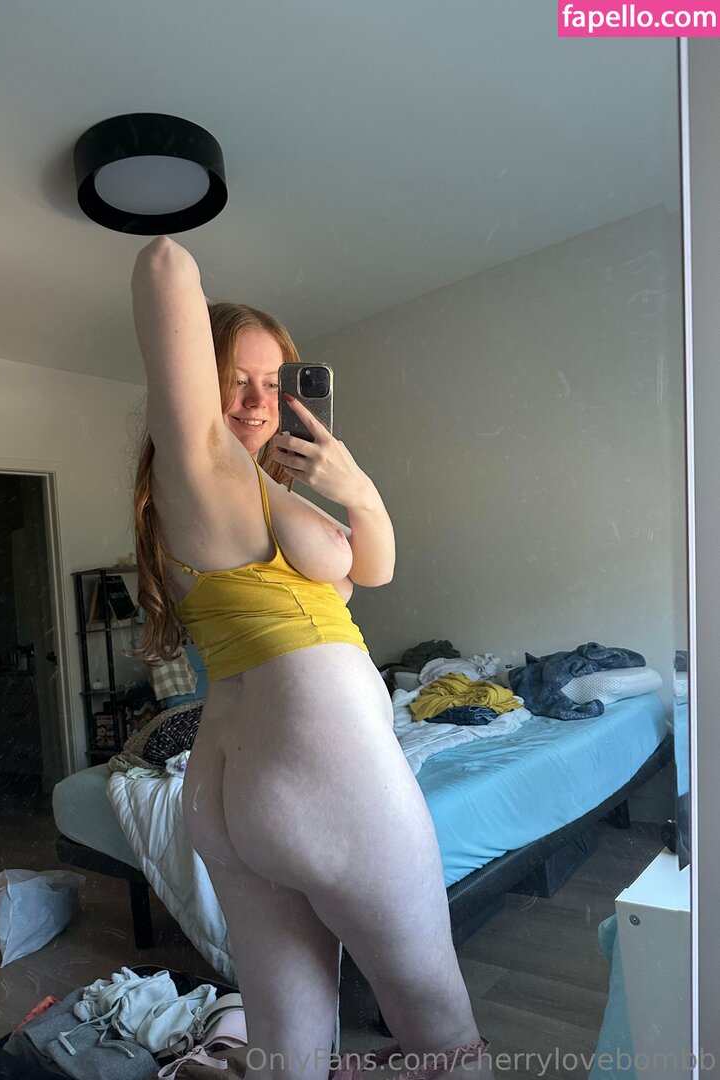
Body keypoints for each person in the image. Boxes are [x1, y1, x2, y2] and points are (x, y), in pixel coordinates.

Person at [130, 235, 492, 1080]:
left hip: (231, 790)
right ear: (196, 379)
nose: (257, 400)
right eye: (235, 378)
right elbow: (163, 265)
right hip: (323, 771)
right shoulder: (204, 463)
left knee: (286, 1048)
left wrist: (352, 484)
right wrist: (165, 193)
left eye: (274, 381)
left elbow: (373, 568)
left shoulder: (259, 491)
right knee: (446, 1036)